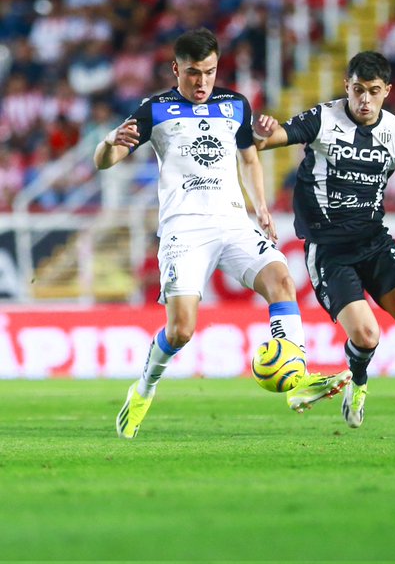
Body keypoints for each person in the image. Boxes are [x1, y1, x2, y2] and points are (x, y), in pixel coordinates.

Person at [93, 27, 351, 439]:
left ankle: (297, 379)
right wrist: (109, 141)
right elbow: (106, 161)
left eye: (210, 72)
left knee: (282, 279)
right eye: (193, 73)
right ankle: (143, 390)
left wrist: (261, 207)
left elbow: (249, 158)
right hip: (185, 228)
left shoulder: (235, 105)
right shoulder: (154, 108)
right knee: (180, 330)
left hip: (233, 222)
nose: (202, 82)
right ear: (176, 69)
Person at [253, 50, 395, 438]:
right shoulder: (323, 118)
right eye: (357, 90)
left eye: (373, 91)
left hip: (374, 241)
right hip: (329, 250)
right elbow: (269, 140)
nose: (364, 100)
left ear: (387, 91)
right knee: (366, 336)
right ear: (347, 85)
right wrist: (262, 132)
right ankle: (358, 382)